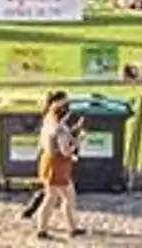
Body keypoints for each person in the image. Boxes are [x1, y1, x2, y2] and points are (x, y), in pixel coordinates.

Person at [31, 90, 85, 238]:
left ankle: (72, 227)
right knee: (54, 198)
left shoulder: (49, 120)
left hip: (49, 162)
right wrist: (78, 142)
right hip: (58, 166)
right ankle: (43, 229)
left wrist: (74, 132)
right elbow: (65, 151)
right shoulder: (58, 128)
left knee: (65, 196)